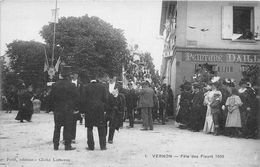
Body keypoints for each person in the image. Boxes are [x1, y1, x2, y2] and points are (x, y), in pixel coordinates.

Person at [49, 67, 79, 151]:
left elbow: (51, 98)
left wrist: (52, 108)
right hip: (68, 110)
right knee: (67, 128)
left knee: (57, 128)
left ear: (61, 75)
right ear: (69, 76)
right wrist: (75, 108)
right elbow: (76, 98)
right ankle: (67, 146)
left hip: (58, 110)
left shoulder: (55, 85)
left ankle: (55, 146)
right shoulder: (72, 85)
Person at [80, 74, 107, 150]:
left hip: (89, 110)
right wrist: (104, 109)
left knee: (89, 128)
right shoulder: (102, 87)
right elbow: (105, 99)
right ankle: (103, 146)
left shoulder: (86, 87)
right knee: (101, 127)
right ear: (96, 78)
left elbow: (83, 101)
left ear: (89, 79)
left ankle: (91, 146)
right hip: (99, 109)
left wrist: (82, 111)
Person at [70, 70, 83, 143]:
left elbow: (82, 94)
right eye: (74, 75)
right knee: (68, 121)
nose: (76, 76)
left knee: (74, 122)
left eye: (77, 75)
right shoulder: (69, 82)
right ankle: (67, 136)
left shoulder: (80, 83)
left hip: (76, 104)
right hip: (69, 103)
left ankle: (73, 137)